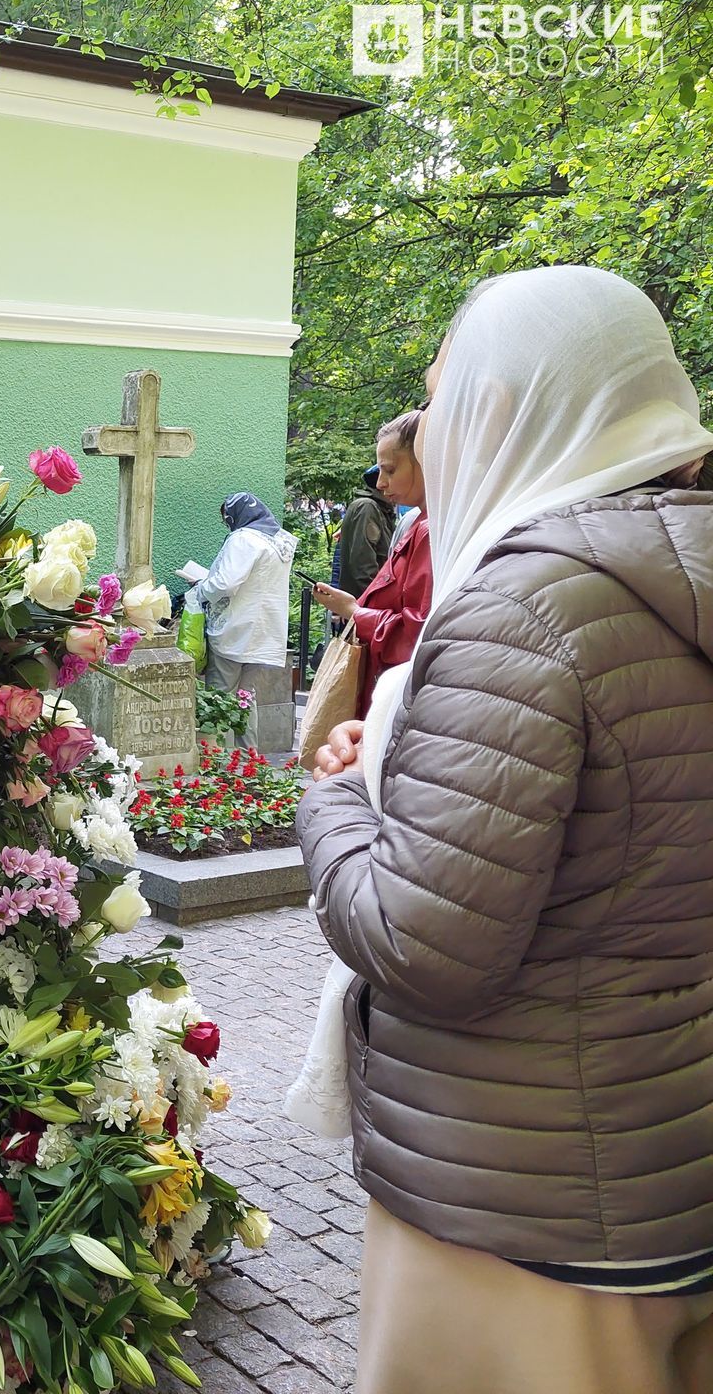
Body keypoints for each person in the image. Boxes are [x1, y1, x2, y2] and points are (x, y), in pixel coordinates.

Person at [299, 265, 713, 1393]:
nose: (430, 427)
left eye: (446, 395)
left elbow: (424, 943)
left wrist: (331, 798)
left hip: (522, 1214)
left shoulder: (526, 612)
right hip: (672, 1173)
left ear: (509, 404)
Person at [312, 410, 432, 719]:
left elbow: (416, 634)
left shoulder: (430, 529)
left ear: (426, 459)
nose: (380, 482)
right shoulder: (419, 521)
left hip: (398, 694)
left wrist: (356, 612)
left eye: (390, 470)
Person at [184, 493, 297, 747]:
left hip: (234, 629)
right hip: (265, 632)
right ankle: (248, 760)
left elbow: (226, 583)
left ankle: (219, 760)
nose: (228, 523)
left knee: (219, 697)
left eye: (227, 518)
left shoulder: (244, 539)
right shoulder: (278, 541)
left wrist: (201, 588)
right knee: (247, 698)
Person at [331, 465, 395, 595]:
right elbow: (363, 567)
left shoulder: (381, 510)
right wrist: (379, 600)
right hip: (364, 605)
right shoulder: (367, 508)